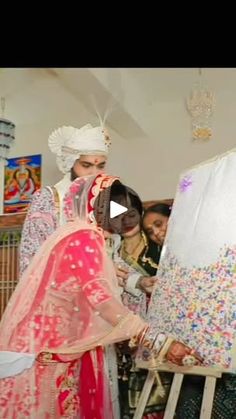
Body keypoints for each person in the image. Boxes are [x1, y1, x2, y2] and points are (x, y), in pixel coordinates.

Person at [0, 174, 202, 418]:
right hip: (49, 353)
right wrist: (161, 343)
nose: (123, 222)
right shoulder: (85, 237)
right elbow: (103, 302)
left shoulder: (71, 235)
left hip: (47, 347)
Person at [19, 123, 110, 276]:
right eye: (86, 165)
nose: (94, 173)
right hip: (56, 289)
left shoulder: (104, 199)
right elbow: (32, 257)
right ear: (70, 163)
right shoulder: (49, 197)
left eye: (100, 166)